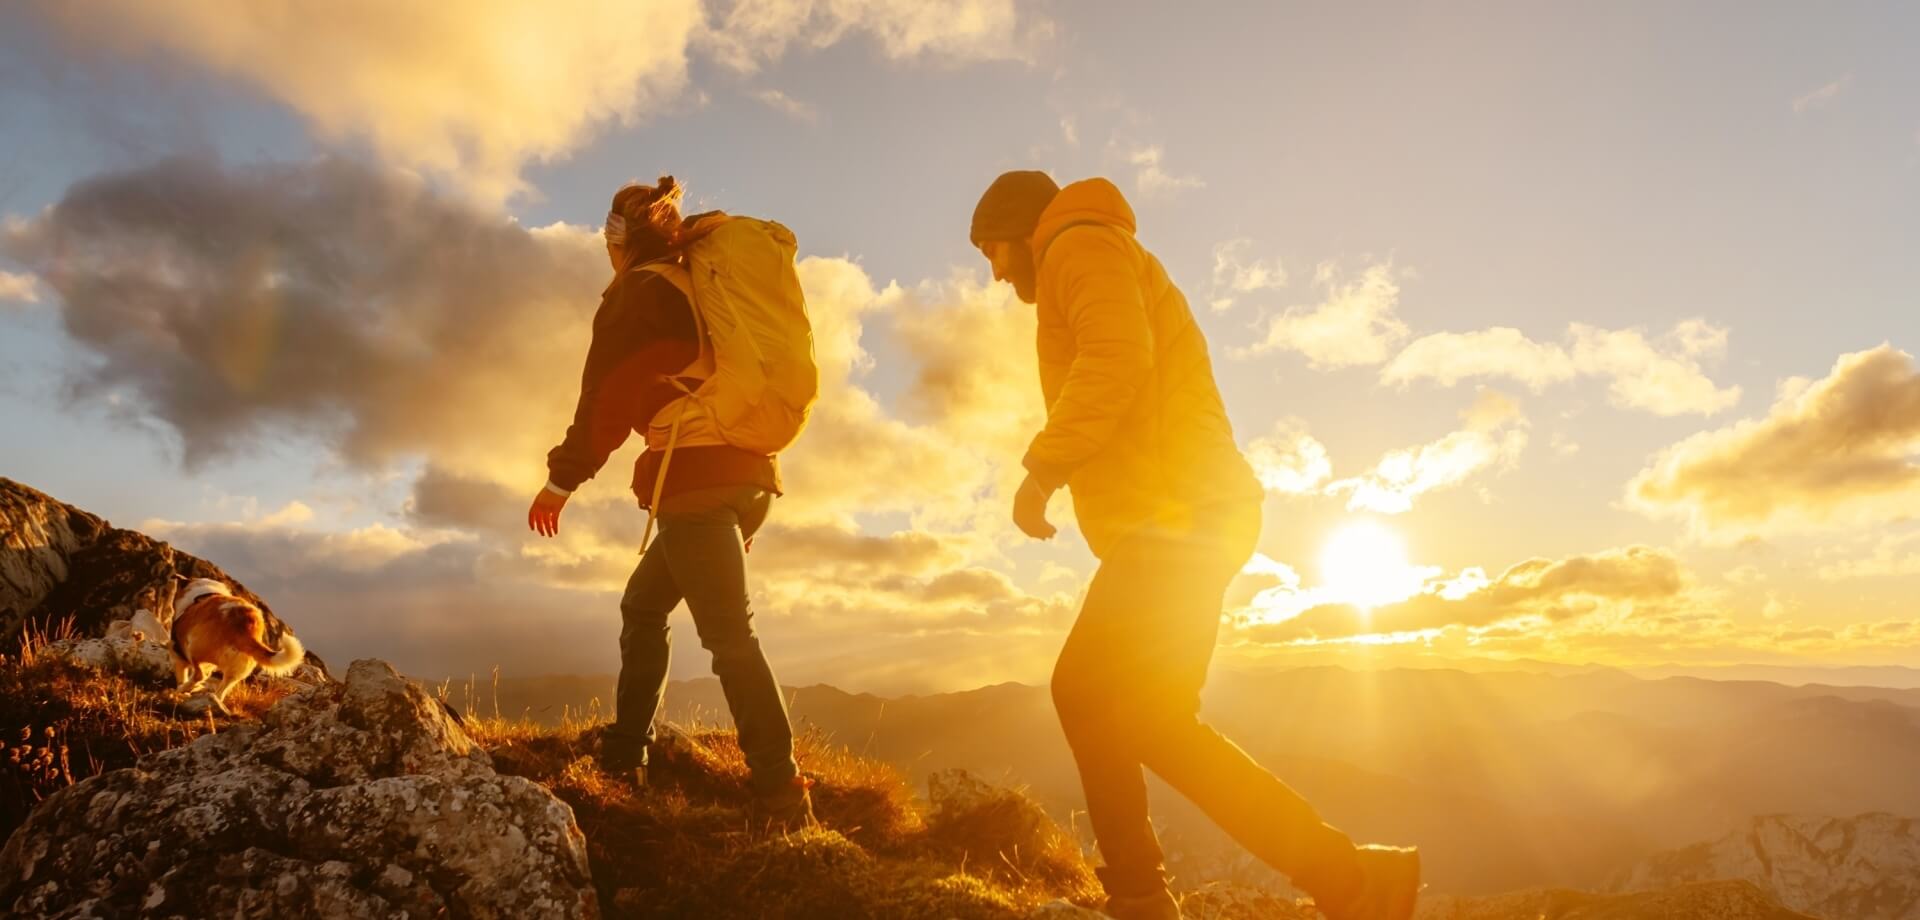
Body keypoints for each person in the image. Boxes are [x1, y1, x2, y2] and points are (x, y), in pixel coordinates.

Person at [969, 170, 1420, 920]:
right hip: (1193, 515)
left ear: (1020, 229)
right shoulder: (1094, 248)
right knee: (1153, 719)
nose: (995, 272)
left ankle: (1142, 894)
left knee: (1084, 691)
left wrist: (1041, 471)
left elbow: (1116, 360)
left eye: (991, 250)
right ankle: (1354, 880)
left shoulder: (1074, 245)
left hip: (1177, 518)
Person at [528, 176, 812, 825]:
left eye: (608, 228)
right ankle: (626, 754)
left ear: (619, 236)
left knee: (730, 637)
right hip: (746, 475)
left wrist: (562, 479)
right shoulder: (696, 283)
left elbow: (605, 396)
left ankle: (780, 789)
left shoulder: (639, 292)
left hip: (696, 483)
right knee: (644, 604)